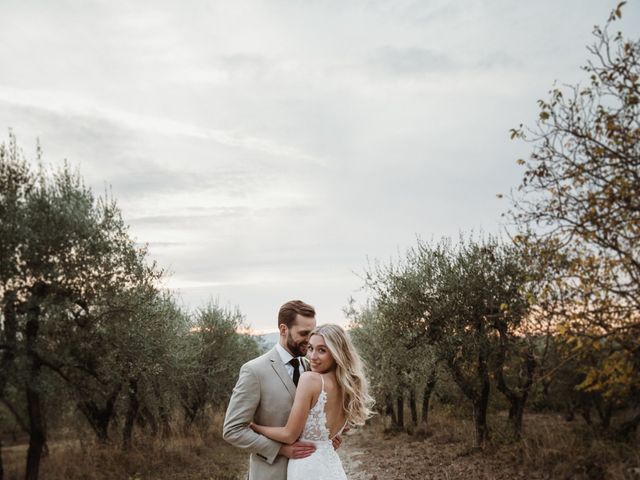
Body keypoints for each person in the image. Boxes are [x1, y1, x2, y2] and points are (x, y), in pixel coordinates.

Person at [249, 323, 374, 480]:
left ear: (336, 353)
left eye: (322, 350)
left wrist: (255, 427)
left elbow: (289, 435)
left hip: (306, 468)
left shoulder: (310, 379)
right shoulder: (347, 387)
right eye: (310, 348)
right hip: (332, 468)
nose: (312, 357)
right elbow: (329, 436)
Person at [223, 300, 323, 480]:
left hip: (310, 472)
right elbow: (233, 430)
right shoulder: (254, 371)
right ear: (283, 329)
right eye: (303, 333)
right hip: (271, 473)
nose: (310, 340)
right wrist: (281, 449)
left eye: (313, 333)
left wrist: (327, 437)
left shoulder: (312, 369)